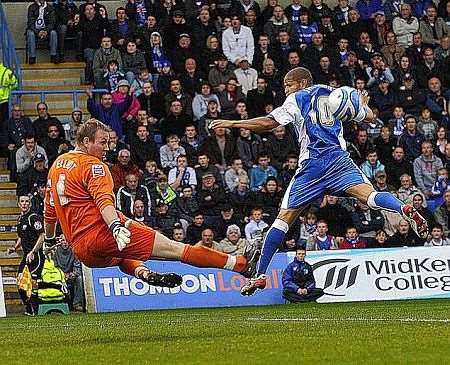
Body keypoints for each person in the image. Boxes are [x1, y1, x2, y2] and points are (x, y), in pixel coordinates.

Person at [211, 67, 428, 296]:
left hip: (312, 165)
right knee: (370, 196)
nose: (286, 90)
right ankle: (403, 208)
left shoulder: (298, 98)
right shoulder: (336, 94)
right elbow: (371, 118)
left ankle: (260, 275)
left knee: (283, 220)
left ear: (302, 82)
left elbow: (269, 123)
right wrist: (362, 104)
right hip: (338, 161)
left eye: (288, 85)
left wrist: (232, 123)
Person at [43, 119, 261, 289]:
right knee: (177, 249)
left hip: (83, 251)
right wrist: (115, 227)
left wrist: (50, 239)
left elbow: (50, 211)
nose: (107, 148)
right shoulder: (93, 165)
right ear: (86, 142)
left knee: (122, 256)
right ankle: (241, 264)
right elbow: (104, 203)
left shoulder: (56, 167)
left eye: (109, 142)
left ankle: (143, 273)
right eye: (102, 142)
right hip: (102, 231)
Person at [7, 195, 45, 315]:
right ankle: (29, 309)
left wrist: (33, 251)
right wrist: (15, 248)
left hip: (36, 255)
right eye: (22, 201)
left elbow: (42, 235)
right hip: (26, 256)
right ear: (18, 204)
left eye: (27, 201)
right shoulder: (20, 219)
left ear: (30, 204)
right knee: (19, 282)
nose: (24, 204)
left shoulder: (33, 218)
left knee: (33, 282)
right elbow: (21, 237)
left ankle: (35, 311)